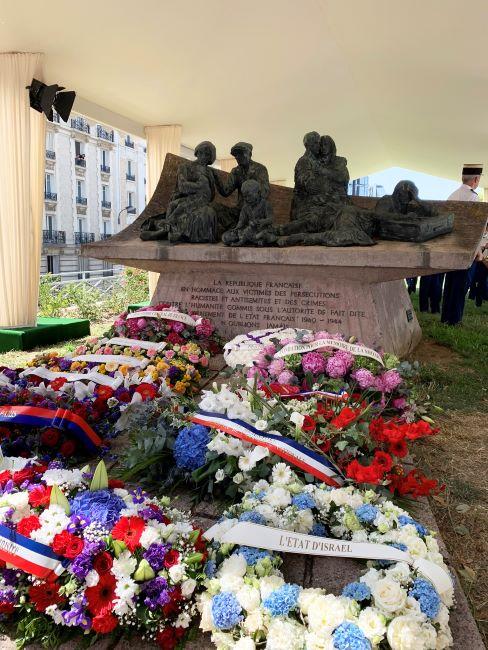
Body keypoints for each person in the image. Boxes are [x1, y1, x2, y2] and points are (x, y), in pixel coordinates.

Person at [140, 141, 219, 243]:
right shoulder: (185, 167)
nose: (205, 157)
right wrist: (193, 186)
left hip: (202, 198)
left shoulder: (210, 172)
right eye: (203, 153)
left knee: (180, 208)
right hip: (190, 196)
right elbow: (182, 187)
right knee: (173, 205)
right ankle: (168, 230)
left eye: (208, 155)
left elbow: (216, 190)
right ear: (197, 152)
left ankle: (162, 232)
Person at [441, 164, 483, 325]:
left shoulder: (452, 195)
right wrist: (478, 250)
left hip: (452, 246)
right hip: (465, 247)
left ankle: (445, 317)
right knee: (461, 285)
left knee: (450, 283)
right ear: (476, 179)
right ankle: (454, 319)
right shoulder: (473, 197)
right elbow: (475, 228)